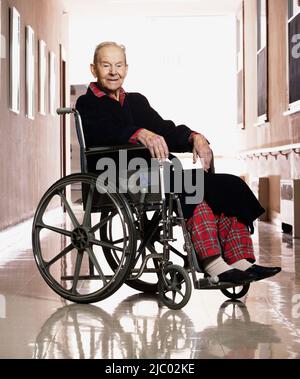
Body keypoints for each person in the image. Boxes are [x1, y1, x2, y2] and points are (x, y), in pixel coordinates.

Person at [76, 41, 281, 284]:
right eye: (106, 65)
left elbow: (164, 129)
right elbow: (102, 131)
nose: (113, 71)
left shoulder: (136, 101)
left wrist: (194, 137)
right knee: (190, 189)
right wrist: (139, 133)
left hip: (155, 173)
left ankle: (240, 261)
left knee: (227, 186)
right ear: (93, 69)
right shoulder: (87, 103)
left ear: (126, 68)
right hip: (117, 172)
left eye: (118, 65)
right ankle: (213, 263)